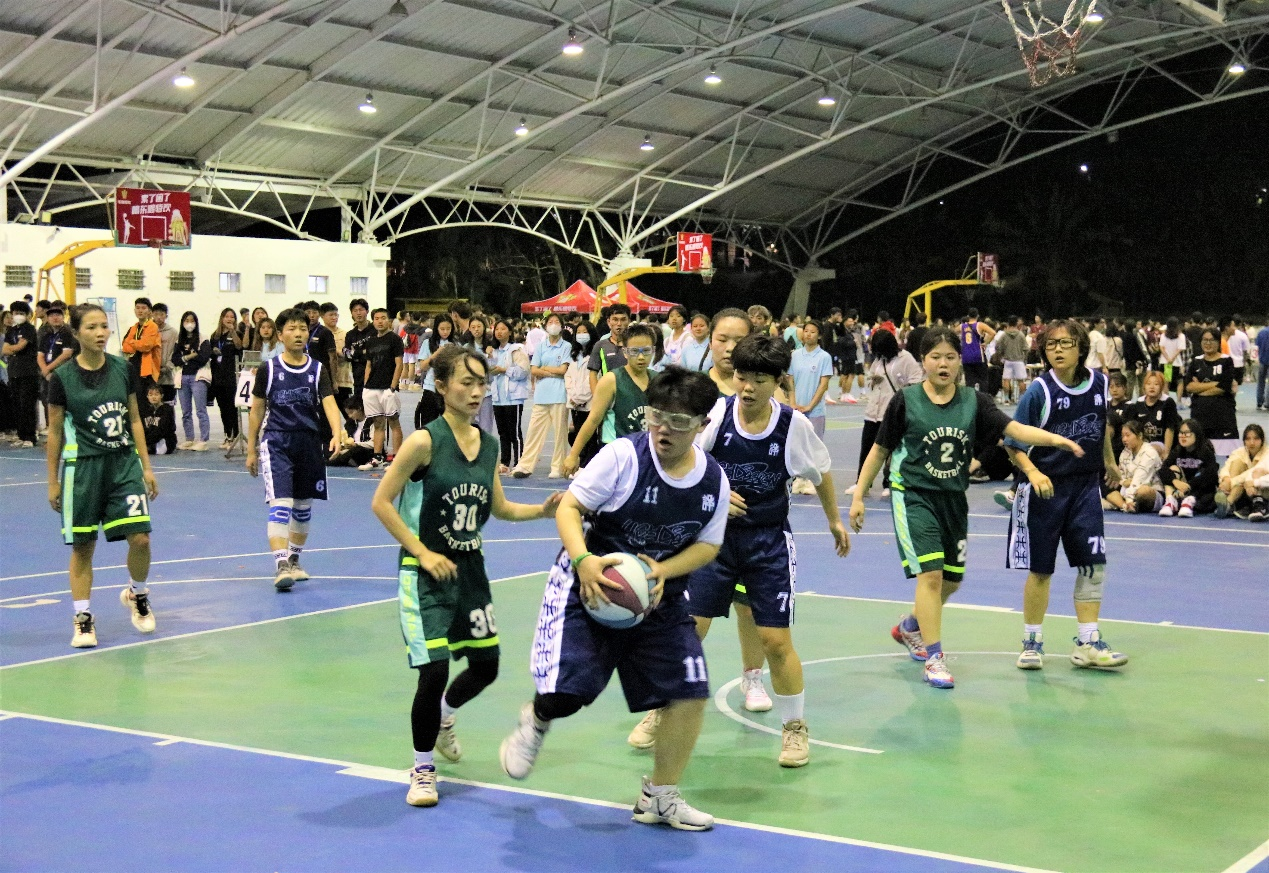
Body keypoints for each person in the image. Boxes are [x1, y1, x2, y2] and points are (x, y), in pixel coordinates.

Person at [499, 366, 729, 831]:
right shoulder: (623, 457)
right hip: (591, 588)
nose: (664, 429)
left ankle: (660, 797)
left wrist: (664, 570)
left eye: (679, 422)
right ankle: (538, 717)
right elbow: (570, 507)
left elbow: (709, 545)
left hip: (659, 598)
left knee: (688, 693)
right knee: (568, 695)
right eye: (656, 416)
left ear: (702, 424)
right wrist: (584, 559)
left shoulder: (712, 481)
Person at [371, 345, 562, 808]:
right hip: (424, 572)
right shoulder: (423, 442)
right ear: (441, 387)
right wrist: (421, 552)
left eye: (482, 383)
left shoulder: (489, 444)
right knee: (434, 669)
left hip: (470, 570)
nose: (477, 392)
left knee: (486, 667)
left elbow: (499, 508)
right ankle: (422, 769)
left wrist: (542, 511)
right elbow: (381, 502)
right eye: (467, 382)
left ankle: (443, 717)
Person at [649, 335, 850, 768]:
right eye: (742, 377)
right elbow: (686, 464)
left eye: (760, 379)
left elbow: (821, 472)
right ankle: (660, 711)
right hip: (714, 542)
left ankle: (794, 728)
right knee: (689, 630)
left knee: (775, 641)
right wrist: (717, 498)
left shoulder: (792, 426)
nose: (748, 387)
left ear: (778, 381)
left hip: (768, 542)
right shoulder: (718, 415)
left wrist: (834, 520)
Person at [848, 327, 1083, 690]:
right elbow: (879, 450)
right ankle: (934, 658)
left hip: (953, 499)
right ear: (923, 362)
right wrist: (859, 496)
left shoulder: (975, 402)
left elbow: (1015, 429)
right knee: (931, 576)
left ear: (960, 361)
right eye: (935, 357)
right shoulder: (906, 401)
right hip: (913, 495)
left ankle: (911, 626)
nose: (942, 364)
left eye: (950, 357)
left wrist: (1056, 440)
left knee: (952, 582)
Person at [1003, 319, 1127, 672]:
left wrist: (1108, 461)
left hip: (1085, 487)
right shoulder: (1039, 392)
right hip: (1045, 489)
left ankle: (1088, 643)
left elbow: (1100, 425)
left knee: (1093, 564)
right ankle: (1032, 642)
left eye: (1065, 343)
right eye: (1051, 344)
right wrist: (1033, 472)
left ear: (1081, 348)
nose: (1057, 350)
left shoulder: (1100, 382)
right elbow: (1012, 443)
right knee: (1041, 570)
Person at [46, 303, 159, 648]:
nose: (100, 333)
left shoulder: (123, 368)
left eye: (104, 326)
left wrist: (147, 466)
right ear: (76, 333)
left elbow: (135, 419)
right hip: (82, 468)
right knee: (83, 547)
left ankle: (138, 593)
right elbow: (54, 432)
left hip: (123, 463)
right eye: (91, 327)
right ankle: (83, 618)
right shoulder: (61, 378)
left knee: (141, 538)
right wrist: (52, 480)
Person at [244, 308, 343, 590]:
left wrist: (337, 433)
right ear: (280, 335)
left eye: (302, 328)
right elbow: (257, 410)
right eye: (291, 328)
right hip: (277, 442)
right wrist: (251, 449)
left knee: (302, 507)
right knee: (281, 504)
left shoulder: (317, 369)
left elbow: (329, 402)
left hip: (309, 443)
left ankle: (295, 560)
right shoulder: (269, 369)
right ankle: (281, 564)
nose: (298, 333)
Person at [561, 323, 657, 477]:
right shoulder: (611, 380)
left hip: (647, 453)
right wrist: (573, 455)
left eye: (646, 351)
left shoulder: (658, 381)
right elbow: (593, 420)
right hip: (616, 453)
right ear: (625, 352)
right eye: (634, 351)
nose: (641, 357)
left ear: (653, 350)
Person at [845, 327, 922, 498]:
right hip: (873, 411)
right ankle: (862, 483)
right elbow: (872, 376)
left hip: (892, 412)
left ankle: (889, 483)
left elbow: (916, 382)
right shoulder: (878, 360)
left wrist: (902, 391)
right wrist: (874, 379)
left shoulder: (906, 359)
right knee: (867, 448)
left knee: (891, 451)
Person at [512, 313, 571, 479]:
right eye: (550, 322)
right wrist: (552, 371)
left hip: (559, 394)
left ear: (562, 326)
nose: (553, 324)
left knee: (560, 434)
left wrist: (544, 369)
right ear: (545, 326)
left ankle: (557, 467)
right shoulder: (541, 346)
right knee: (533, 431)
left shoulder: (566, 346)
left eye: (557, 322)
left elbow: (563, 370)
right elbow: (534, 369)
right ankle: (525, 465)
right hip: (541, 395)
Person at [786, 319, 833, 494]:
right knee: (796, 445)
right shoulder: (795, 355)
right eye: (806, 331)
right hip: (796, 409)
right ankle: (799, 479)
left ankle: (813, 481)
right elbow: (790, 380)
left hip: (815, 411)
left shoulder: (824, 357)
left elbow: (823, 385)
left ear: (819, 335)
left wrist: (809, 406)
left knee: (813, 446)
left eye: (813, 332)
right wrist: (792, 403)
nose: (808, 334)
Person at [358, 308, 405, 471]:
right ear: (373, 321)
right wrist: (365, 386)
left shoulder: (395, 339)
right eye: (376, 318)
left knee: (393, 422)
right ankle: (377, 457)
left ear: (388, 321)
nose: (380, 321)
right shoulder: (371, 341)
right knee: (377, 423)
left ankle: (397, 459)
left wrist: (392, 387)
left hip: (387, 388)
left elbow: (399, 364)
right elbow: (368, 365)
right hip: (372, 388)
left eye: (383, 318)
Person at [1184, 328, 1238, 451]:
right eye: (1205, 340)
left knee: (1227, 455)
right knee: (1200, 454)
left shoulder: (1226, 361)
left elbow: (1224, 387)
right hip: (1199, 417)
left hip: (1223, 418)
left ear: (1218, 342)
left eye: (1211, 340)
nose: (1207, 343)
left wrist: (1199, 388)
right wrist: (1216, 383)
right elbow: (1189, 386)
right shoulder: (1196, 362)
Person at [488, 318, 529, 473]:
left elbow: (523, 371)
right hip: (498, 397)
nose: (499, 332)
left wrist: (504, 370)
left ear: (510, 332)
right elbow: (488, 373)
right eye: (497, 329)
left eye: (503, 329)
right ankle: (505, 462)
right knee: (502, 432)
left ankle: (519, 462)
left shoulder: (517, 349)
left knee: (514, 432)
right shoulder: (493, 351)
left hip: (513, 397)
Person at [1158, 420, 1219, 517]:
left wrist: (1189, 486)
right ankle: (1170, 502)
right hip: (1179, 490)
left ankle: (1188, 502)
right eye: (1181, 433)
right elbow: (1163, 469)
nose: (1183, 436)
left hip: (1198, 491)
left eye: (1187, 433)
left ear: (1196, 434)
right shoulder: (1177, 450)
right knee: (1172, 468)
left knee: (1203, 473)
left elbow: (1210, 475)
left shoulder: (1205, 452)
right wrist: (1175, 481)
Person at [1105, 420, 1163, 513]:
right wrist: (1124, 482)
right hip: (1128, 489)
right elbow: (1121, 476)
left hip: (1151, 489)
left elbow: (1139, 480)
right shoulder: (1125, 453)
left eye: (1128, 435)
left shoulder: (1149, 453)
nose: (1124, 439)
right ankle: (1125, 506)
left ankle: (1123, 504)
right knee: (1108, 483)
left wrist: (1129, 499)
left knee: (1143, 491)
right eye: (1123, 436)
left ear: (1140, 435)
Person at [4, 300, 40, 446]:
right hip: (13, 372)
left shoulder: (29, 329)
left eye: (21, 313)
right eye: (16, 313)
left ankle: (30, 437)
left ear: (26, 315)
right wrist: (12, 349)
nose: (18, 315)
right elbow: (4, 350)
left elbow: (20, 347)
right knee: (16, 405)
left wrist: (12, 349)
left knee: (27, 405)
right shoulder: (11, 330)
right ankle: (21, 435)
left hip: (28, 372)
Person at [173, 312, 211, 451]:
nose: (189, 323)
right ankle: (189, 438)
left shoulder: (203, 339)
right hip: (182, 378)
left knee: (201, 410)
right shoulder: (179, 340)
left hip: (198, 378)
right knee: (185, 412)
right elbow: (175, 359)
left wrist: (185, 359)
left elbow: (203, 358)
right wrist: (190, 357)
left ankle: (203, 440)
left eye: (192, 320)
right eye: (186, 320)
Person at [37, 304, 77, 431]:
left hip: (62, 374)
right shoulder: (46, 336)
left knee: (63, 404)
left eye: (58, 315)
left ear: (63, 317)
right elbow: (40, 355)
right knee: (48, 402)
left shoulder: (67, 334)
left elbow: (66, 354)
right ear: (48, 319)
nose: (55, 318)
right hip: (47, 375)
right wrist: (45, 370)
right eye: (52, 315)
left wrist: (48, 369)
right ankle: (52, 430)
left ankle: (66, 430)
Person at [208, 307, 243, 449]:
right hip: (218, 375)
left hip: (231, 376)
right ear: (222, 318)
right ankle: (227, 435)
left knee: (232, 407)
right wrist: (213, 351)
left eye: (232, 317)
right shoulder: (215, 336)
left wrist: (232, 331)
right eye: (227, 316)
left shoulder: (237, 333)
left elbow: (239, 346)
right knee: (222, 407)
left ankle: (235, 435)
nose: (229, 319)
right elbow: (210, 353)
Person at [1124, 370, 1179, 459]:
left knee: (1152, 450)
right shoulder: (1139, 402)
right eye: (1148, 384)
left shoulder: (1168, 402)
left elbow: (1170, 429)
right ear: (1144, 386)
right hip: (1144, 444)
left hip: (1160, 444)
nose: (1152, 387)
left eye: (1156, 384)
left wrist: (1166, 452)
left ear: (1161, 386)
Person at [1216, 423, 1266, 519]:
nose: (1252, 442)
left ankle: (1228, 502)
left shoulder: (1267, 453)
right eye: (1248, 439)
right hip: (1241, 488)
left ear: (1262, 440)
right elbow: (1226, 467)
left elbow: (1252, 472)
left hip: (1260, 489)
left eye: (1256, 439)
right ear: (1244, 441)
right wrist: (1225, 480)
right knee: (1236, 463)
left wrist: (1231, 483)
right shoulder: (1239, 451)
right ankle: (1231, 503)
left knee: (1249, 479)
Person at [415, 316, 453, 429]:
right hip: (431, 388)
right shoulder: (428, 343)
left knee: (450, 427)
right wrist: (437, 353)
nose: (445, 332)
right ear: (436, 328)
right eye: (442, 329)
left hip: (449, 389)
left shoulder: (455, 343)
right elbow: (423, 366)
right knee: (428, 426)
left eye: (448, 328)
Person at [588, 303, 631, 392]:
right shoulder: (600, 345)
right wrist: (596, 395)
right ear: (608, 322)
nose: (619, 324)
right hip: (608, 393)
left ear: (629, 321)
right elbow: (593, 374)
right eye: (615, 319)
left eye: (623, 319)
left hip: (631, 393)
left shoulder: (634, 345)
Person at [121, 297, 162, 388]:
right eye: (138, 308)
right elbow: (125, 347)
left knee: (145, 395)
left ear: (149, 311)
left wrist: (132, 342)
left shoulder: (152, 326)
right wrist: (137, 344)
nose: (140, 311)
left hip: (147, 370)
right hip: (133, 366)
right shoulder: (133, 328)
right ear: (134, 310)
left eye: (143, 308)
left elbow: (146, 346)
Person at [327, 397, 375, 468]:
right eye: (348, 414)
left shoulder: (372, 421)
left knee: (357, 450)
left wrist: (356, 444)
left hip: (366, 451)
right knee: (332, 447)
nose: (350, 416)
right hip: (350, 451)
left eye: (351, 412)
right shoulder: (350, 423)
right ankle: (339, 460)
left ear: (359, 409)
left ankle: (332, 462)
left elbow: (374, 444)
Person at [343, 298, 375, 401]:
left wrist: (356, 353)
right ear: (352, 313)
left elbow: (375, 352)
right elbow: (348, 356)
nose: (358, 313)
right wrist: (363, 352)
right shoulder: (350, 334)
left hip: (375, 377)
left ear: (367, 311)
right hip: (358, 378)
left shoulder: (375, 331)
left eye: (361, 310)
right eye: (355, 310)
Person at [958, 308, 996, 393]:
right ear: (977, 316)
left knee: (969, 380)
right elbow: (993, 333)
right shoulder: (979, 325)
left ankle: (970, 398)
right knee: (983, 379)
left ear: (968, 316)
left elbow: (952, 332)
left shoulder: (962, 326)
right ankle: (983, 397)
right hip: (978, 355)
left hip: (966, 356)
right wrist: (986, 343)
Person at [997, 316, 1029, 404]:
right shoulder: (1021, 335)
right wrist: (1024, 358)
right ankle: (1021, 399)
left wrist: (1002, 355)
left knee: (1006, 380)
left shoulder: (1004, 335)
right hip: (1019, 361)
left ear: (1008, 323)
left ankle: (1006, 399)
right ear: (1016, 323)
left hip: (1007, 360)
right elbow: (1026, 348)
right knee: (1021, 380)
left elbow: (998, 346)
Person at [140, 382, 178, 455]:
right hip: (149, 441)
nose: (153, 397)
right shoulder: (145, 411)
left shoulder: (167, 410)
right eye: (150, 395)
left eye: (156, 394)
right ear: (147, 396)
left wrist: (146, 442)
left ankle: (149, 448)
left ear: (161, 396)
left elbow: (161, 431)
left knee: (145, 450)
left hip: (164, 441)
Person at [151, 304, 178, 404]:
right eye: (156, 314)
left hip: (168, 377)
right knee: (151, 406)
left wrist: (167, 367)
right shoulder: (147, 330)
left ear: (166, 316)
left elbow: (175, 352)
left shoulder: (173, 332)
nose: (158, 317)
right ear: (152, 314)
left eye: (161, 314)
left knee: (167, 406)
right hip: (151, 376)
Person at [1257, 320, 1269, 411]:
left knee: (1261, 382)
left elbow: (1257, 346)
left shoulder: (1261, 332)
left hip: (1262, 359)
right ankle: (1267, 403)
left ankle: (1259, 402)